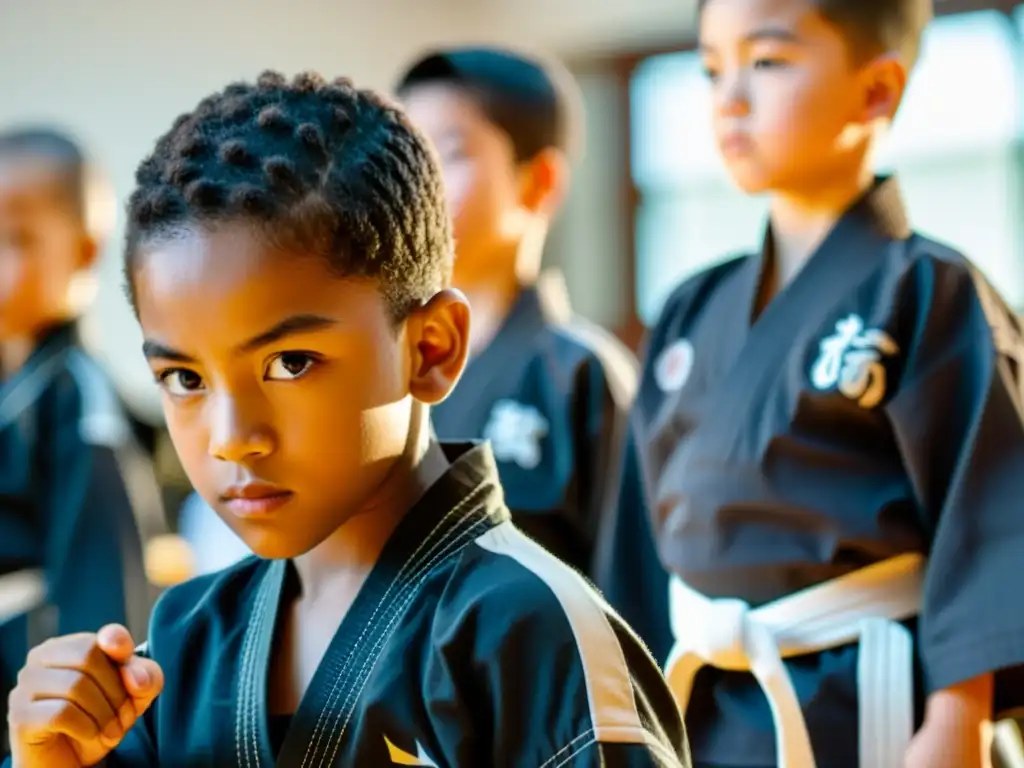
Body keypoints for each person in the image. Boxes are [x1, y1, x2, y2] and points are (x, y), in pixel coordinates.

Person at [3, 71, 690, 768]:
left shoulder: (532, 637)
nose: (233, 435)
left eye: (291, 363)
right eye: (185, 379)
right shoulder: (182, 645)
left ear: (431, 347)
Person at [593, 0, 1024, 767]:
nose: (729, 98)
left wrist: (959, 719)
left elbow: (993, 518)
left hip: (872, 709)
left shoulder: (931, 290)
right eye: (711, 68)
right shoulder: (691, 309)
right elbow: (635, 550)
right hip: (702, 710)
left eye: (766, 61)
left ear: (876, 92)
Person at [396, 48, 638, 576]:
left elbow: (629, 595)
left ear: (538, 181)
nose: (419, 189)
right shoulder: (383, 369)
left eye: (451, 155)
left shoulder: (580, 375)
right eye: (409, 159)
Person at [0, 128, 170, 743]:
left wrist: (89, 717)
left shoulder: (76, 397)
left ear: (82, 251)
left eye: (16, 239)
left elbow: (106, 582)